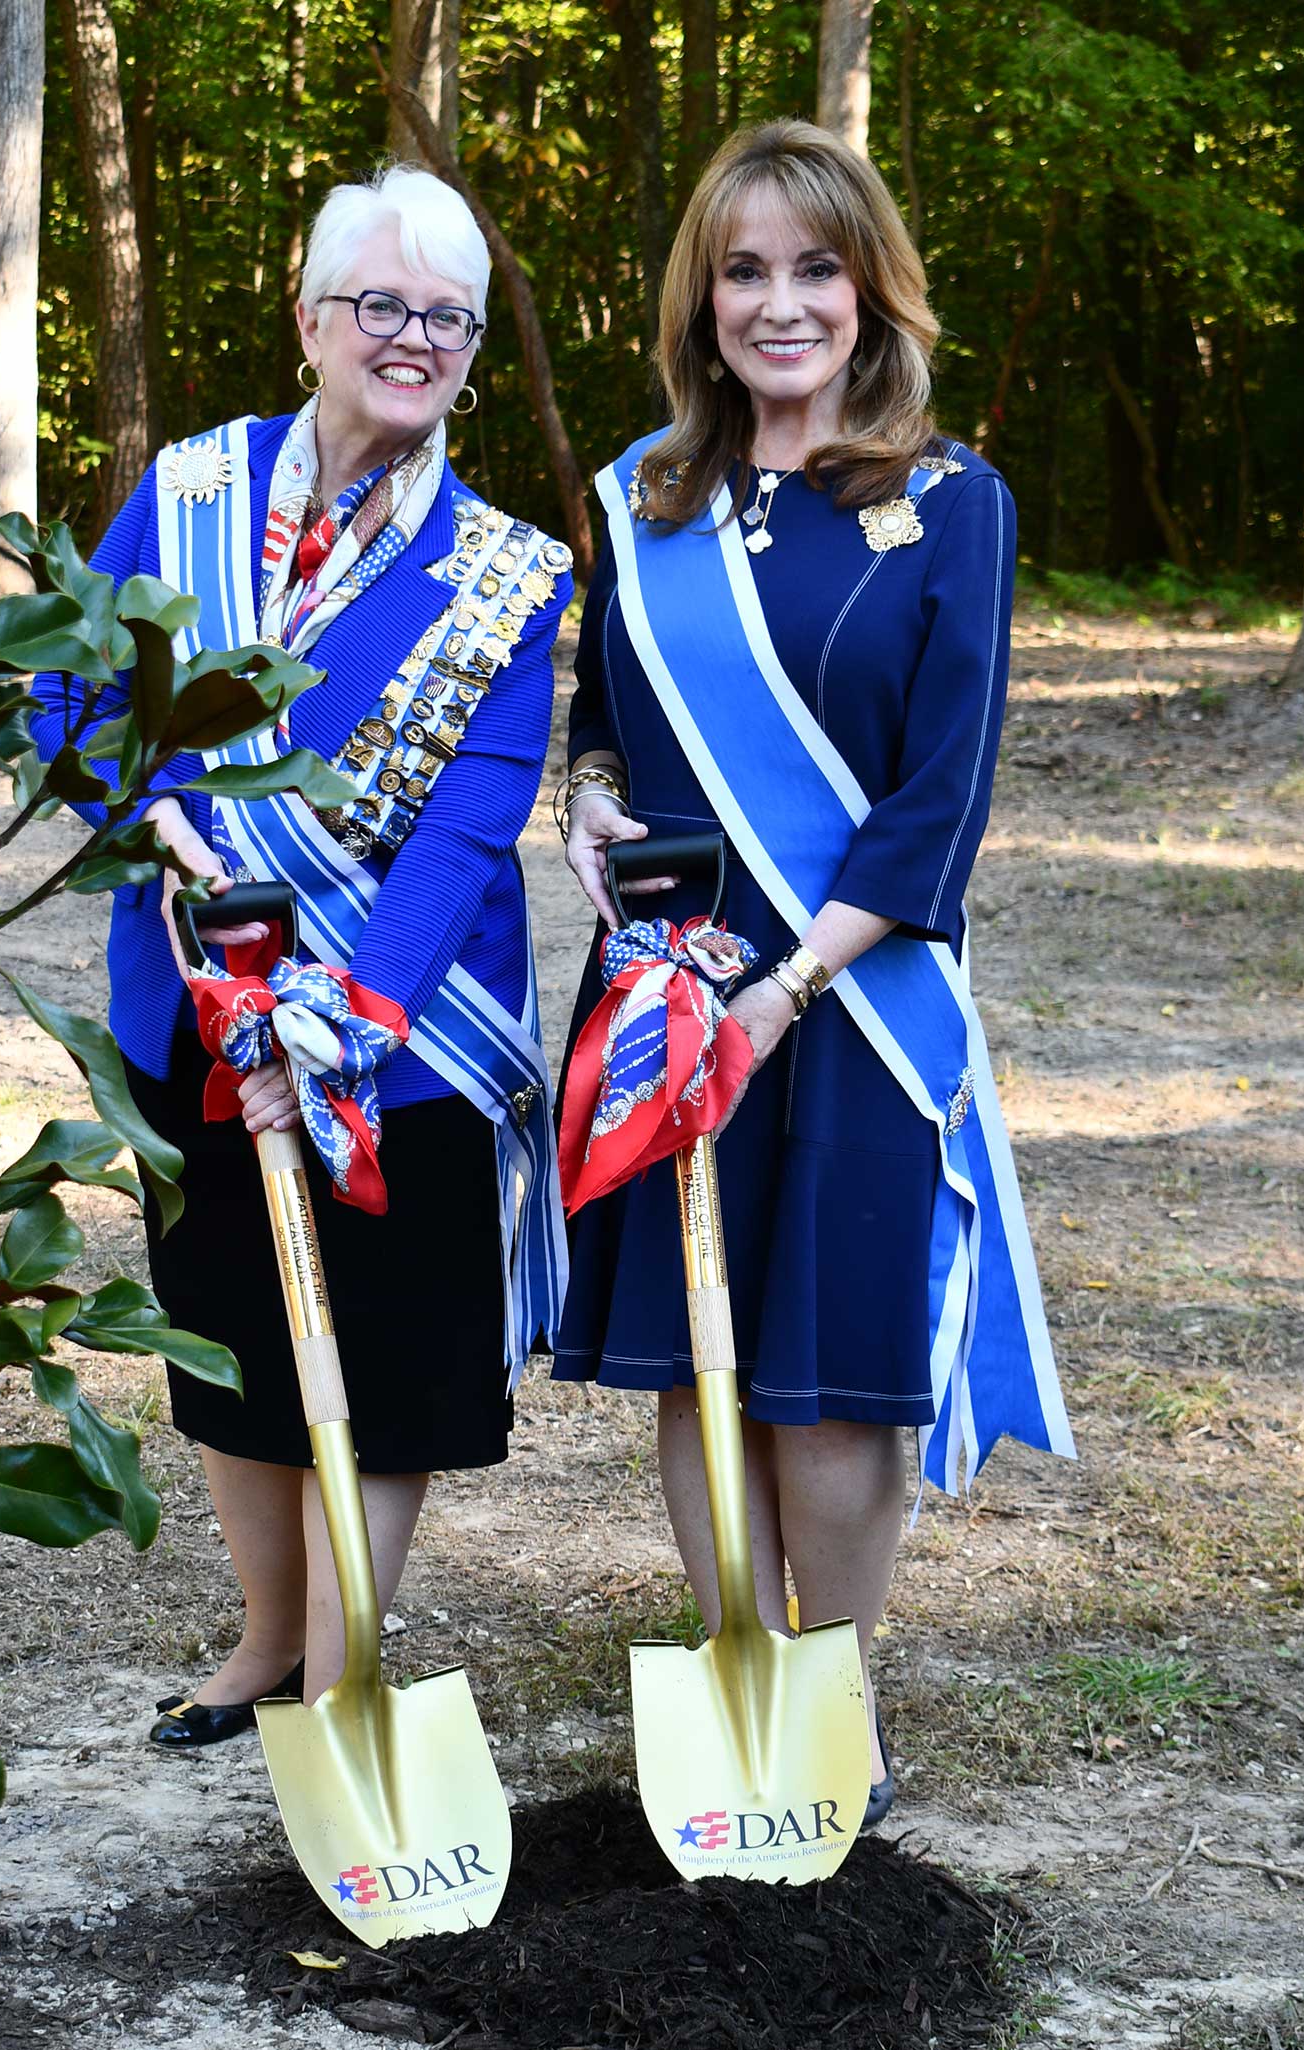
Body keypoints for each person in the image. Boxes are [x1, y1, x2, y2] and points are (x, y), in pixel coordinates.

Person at [553, 121, 1073, 1825]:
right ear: (704, 300)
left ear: (871, 289)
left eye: (816, 268)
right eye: (746, 270)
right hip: (672, 993)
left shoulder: (951, 502)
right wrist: (591, 817)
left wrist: (787, 991)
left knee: (831, 1378)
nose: (782, 303)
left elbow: (944, 794)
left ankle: (827, 1698)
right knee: (699, 1362)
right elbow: (606, 738)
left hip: (840, 1010)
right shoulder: (645, 500)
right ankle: (731, 1677)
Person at [30, 164, 571, 1747]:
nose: (414, 339)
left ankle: (346, 1679)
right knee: (232, 1333)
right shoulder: (191, 493)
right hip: (188, 997)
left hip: (396, 1026)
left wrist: (338, 1023)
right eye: (383, 305)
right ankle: (268, 1641)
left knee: (381, 1358)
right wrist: (156, 824)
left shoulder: (508, 571)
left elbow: (475, 822)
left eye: (448, 317)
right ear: (310, 319)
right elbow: (71, 697)